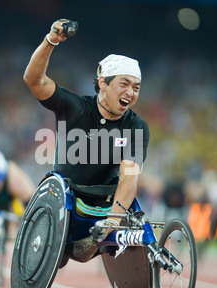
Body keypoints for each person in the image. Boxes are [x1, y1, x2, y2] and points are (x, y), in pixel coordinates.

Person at [23, 19, 150, 262]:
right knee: (56, 261)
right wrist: (50, 41)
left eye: (136, 87)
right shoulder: (75, 107)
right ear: (103, 82)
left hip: (104, 203)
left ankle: (91, 244)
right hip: (65, 197)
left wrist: (113, 220)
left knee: (86, 251)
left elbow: (129, 175)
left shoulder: (137, 127)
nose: (131, 93)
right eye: (124, 84)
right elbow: (34, 81)